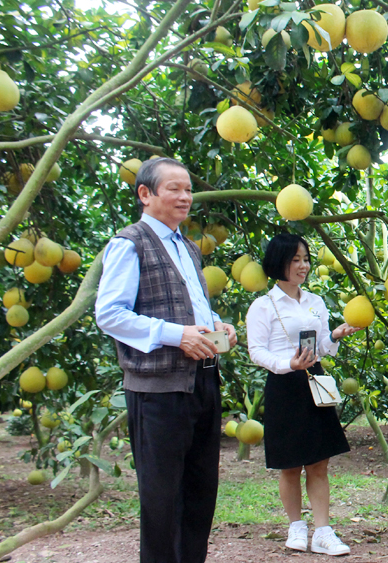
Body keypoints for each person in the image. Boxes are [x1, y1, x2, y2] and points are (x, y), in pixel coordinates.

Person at [95, 157, 239, 563]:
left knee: (199, 494)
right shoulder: (130, 242)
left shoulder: (188, 248)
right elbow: (110, 314)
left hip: (203, 383)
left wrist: (216, 325)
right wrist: (176, 336)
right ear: (145, 194)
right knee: (161, 500)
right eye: (174, 188)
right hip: (158, 392)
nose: (185, 197)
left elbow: (191, 309)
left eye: (188, 189)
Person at [245, 233, 362, 555]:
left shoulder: (315, 301)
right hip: (284, 385)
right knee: (289, 465)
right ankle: (296, 526)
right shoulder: (263, 306)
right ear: (278, 263)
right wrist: (287, 364)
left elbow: (322, 347)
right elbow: (256, 351)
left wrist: (335, 335)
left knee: (319, 463)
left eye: (306, 259)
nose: (304, 265)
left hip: (315, 381)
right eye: (295, 259)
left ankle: (323, 531)